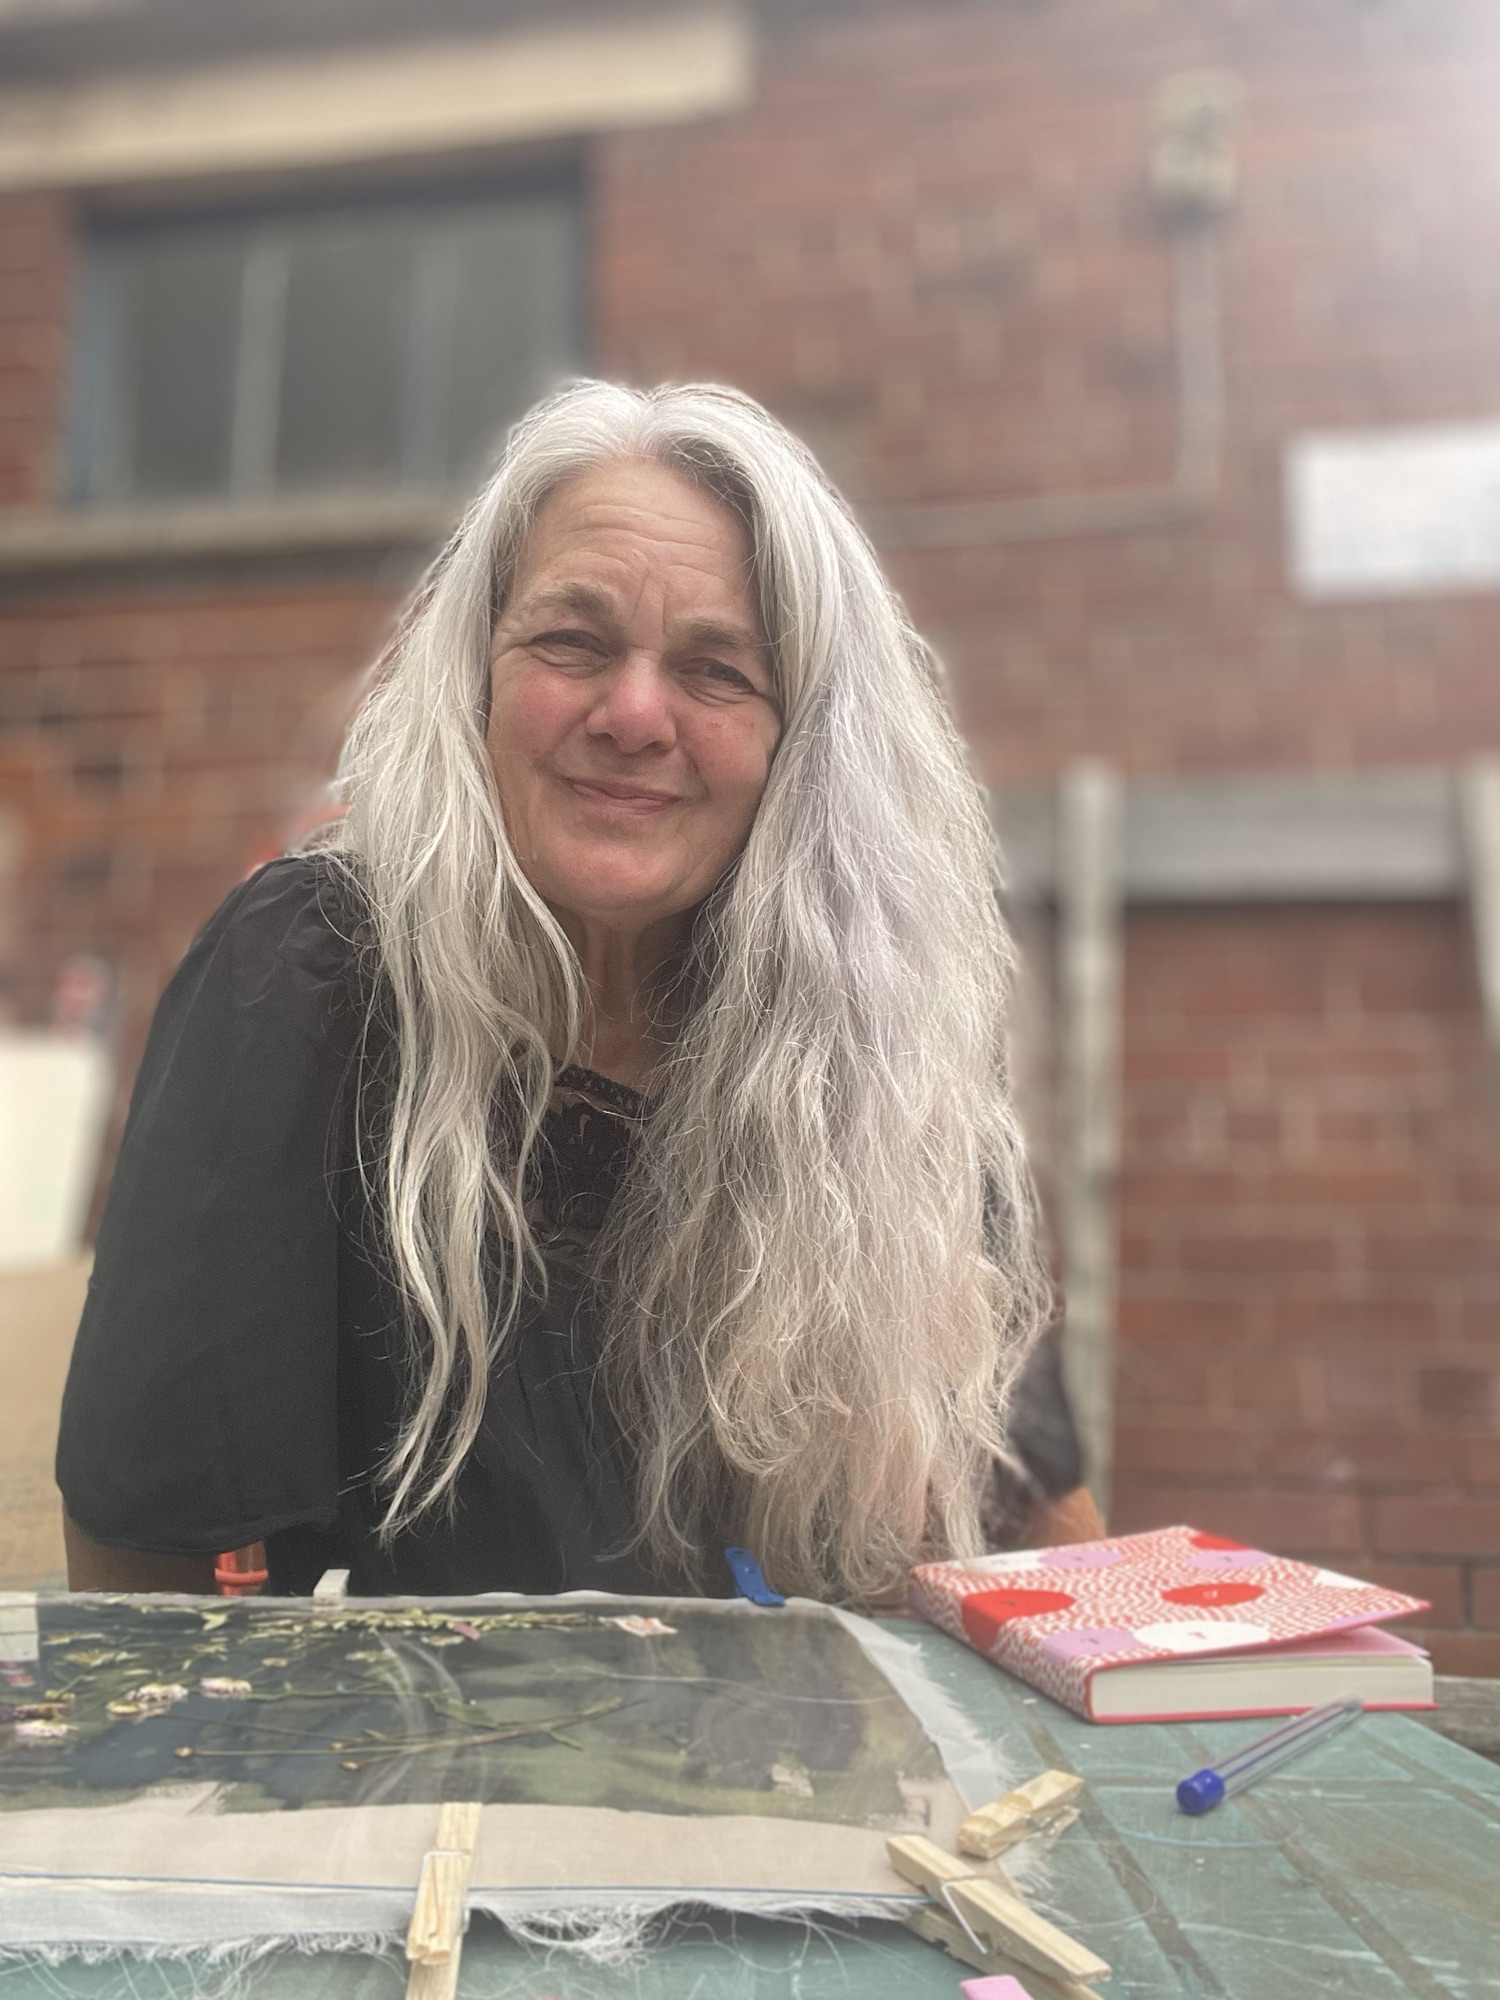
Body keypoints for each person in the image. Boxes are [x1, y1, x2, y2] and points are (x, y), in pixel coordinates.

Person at [57, 380, 1091, 1603]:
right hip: (430, 1728)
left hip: (814, 1725)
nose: (635, 713)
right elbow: (146, 1550)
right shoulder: (308, 971)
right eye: (573, 642)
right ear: (479, 674)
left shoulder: (885, 1027)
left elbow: (1032, 1507)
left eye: (715, 669)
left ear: (800, 744)